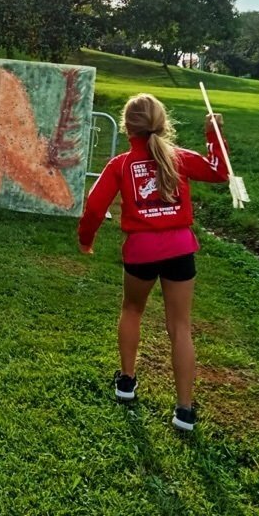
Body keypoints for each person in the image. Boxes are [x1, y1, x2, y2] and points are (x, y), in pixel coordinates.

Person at [77, 93, 229, 432]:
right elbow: (220, 173)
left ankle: (126, 382)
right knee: (181, 327)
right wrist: (214, 135)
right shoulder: (179, 158)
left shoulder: (120, 165)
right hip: (180, 249)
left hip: (141, 251)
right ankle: (185, 410)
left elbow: (95, 206)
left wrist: (86, 239)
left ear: (127, 127)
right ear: (161, 124)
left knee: (132, 310)